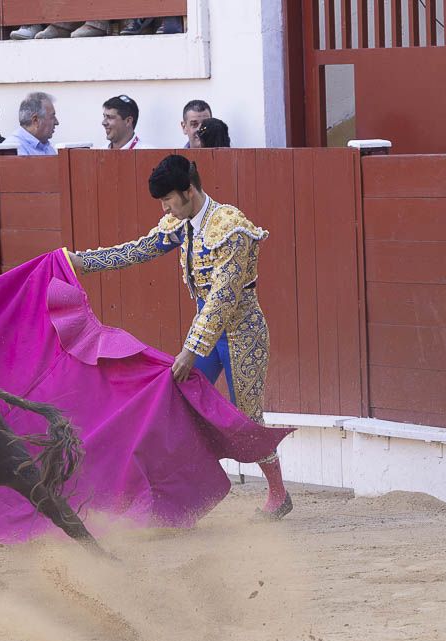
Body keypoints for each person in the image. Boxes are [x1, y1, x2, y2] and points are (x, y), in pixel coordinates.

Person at [66, 155, 293, 519]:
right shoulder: (182, 221)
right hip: (209, 336)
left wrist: (190, 349)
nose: (165, 208)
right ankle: (175, 498)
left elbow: (222, 296)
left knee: (249, 418)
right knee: (176, 403)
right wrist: (84, 262)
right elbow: (140, 249)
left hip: (241, 334)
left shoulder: (231, 227)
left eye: (169, 199)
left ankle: (279, 495)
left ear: (189, 190)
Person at [12, 91, 58, 156]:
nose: (56, 122)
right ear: (35, 120)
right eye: (52, 116)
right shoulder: (14, 150)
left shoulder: (46, 147)